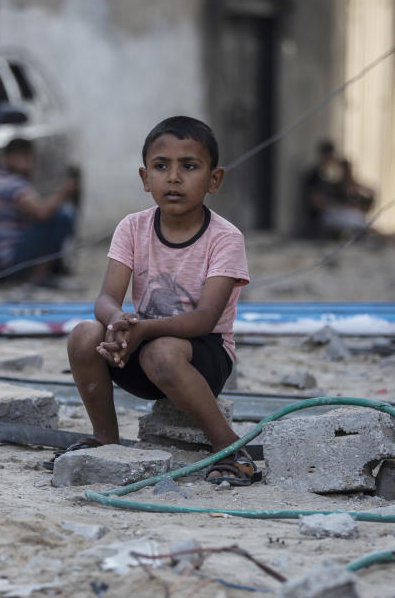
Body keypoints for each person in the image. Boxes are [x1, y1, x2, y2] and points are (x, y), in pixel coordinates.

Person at [50, 116, 259, 485]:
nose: (173, 178)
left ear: (214, 180)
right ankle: (104, 438)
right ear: (146, 178)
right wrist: (118, 322)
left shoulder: (225, 238)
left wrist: (142, 329)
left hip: (202, 357)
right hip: (139, 346)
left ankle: (229, 447)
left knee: (160, 351)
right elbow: (106, 298)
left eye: (189, 166)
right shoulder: (132, 227)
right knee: (85, 333)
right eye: (161, 167)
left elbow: (206, 319)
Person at [0, 138, 78, 283]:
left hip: (0, 258)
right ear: (8, 159)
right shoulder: (13, 184)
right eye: (23, 157)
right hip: (10, 259)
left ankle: (44, 272)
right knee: (62, 216)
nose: (28, 163)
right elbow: (41, 213)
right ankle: (39, 276)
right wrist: (63, 194)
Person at [300, 140, 374, 239]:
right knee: (357, 220)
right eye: (330, 156)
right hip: (323, 215)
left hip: (332, 212)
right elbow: (316, 202)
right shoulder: (314, 175)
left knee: (359, 218)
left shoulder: (327, 174)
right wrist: (339, 207)